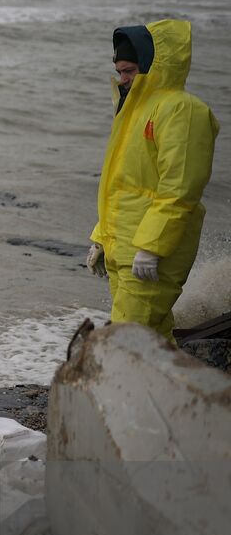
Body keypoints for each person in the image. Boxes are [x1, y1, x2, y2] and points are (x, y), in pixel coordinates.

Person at [86, 20, 218, 341]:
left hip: (152, 253)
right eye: (119, 71)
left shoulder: (182, 111)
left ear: (152, 65)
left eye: (129, 71)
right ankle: (175, 390)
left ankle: (128, 392)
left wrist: (152, 247)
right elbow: (119, 187)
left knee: (126, 340)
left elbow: (180, 190)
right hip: (125, 247)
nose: (123, 79)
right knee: (153, 337)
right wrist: (102, 237)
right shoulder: (131, 110)